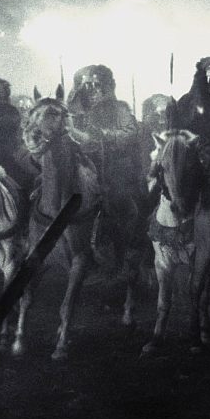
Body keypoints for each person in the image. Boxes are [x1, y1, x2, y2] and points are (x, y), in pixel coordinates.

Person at [66, 65, 142, 272]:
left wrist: (104, 135)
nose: (92, 89)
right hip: (80, 163)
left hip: (112, 166)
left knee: (123, 207)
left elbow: (131, 133)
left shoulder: (120, 109)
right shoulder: (74, 111)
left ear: (106, 86)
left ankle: (122, 254)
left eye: (96, 85)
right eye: (87, 85)